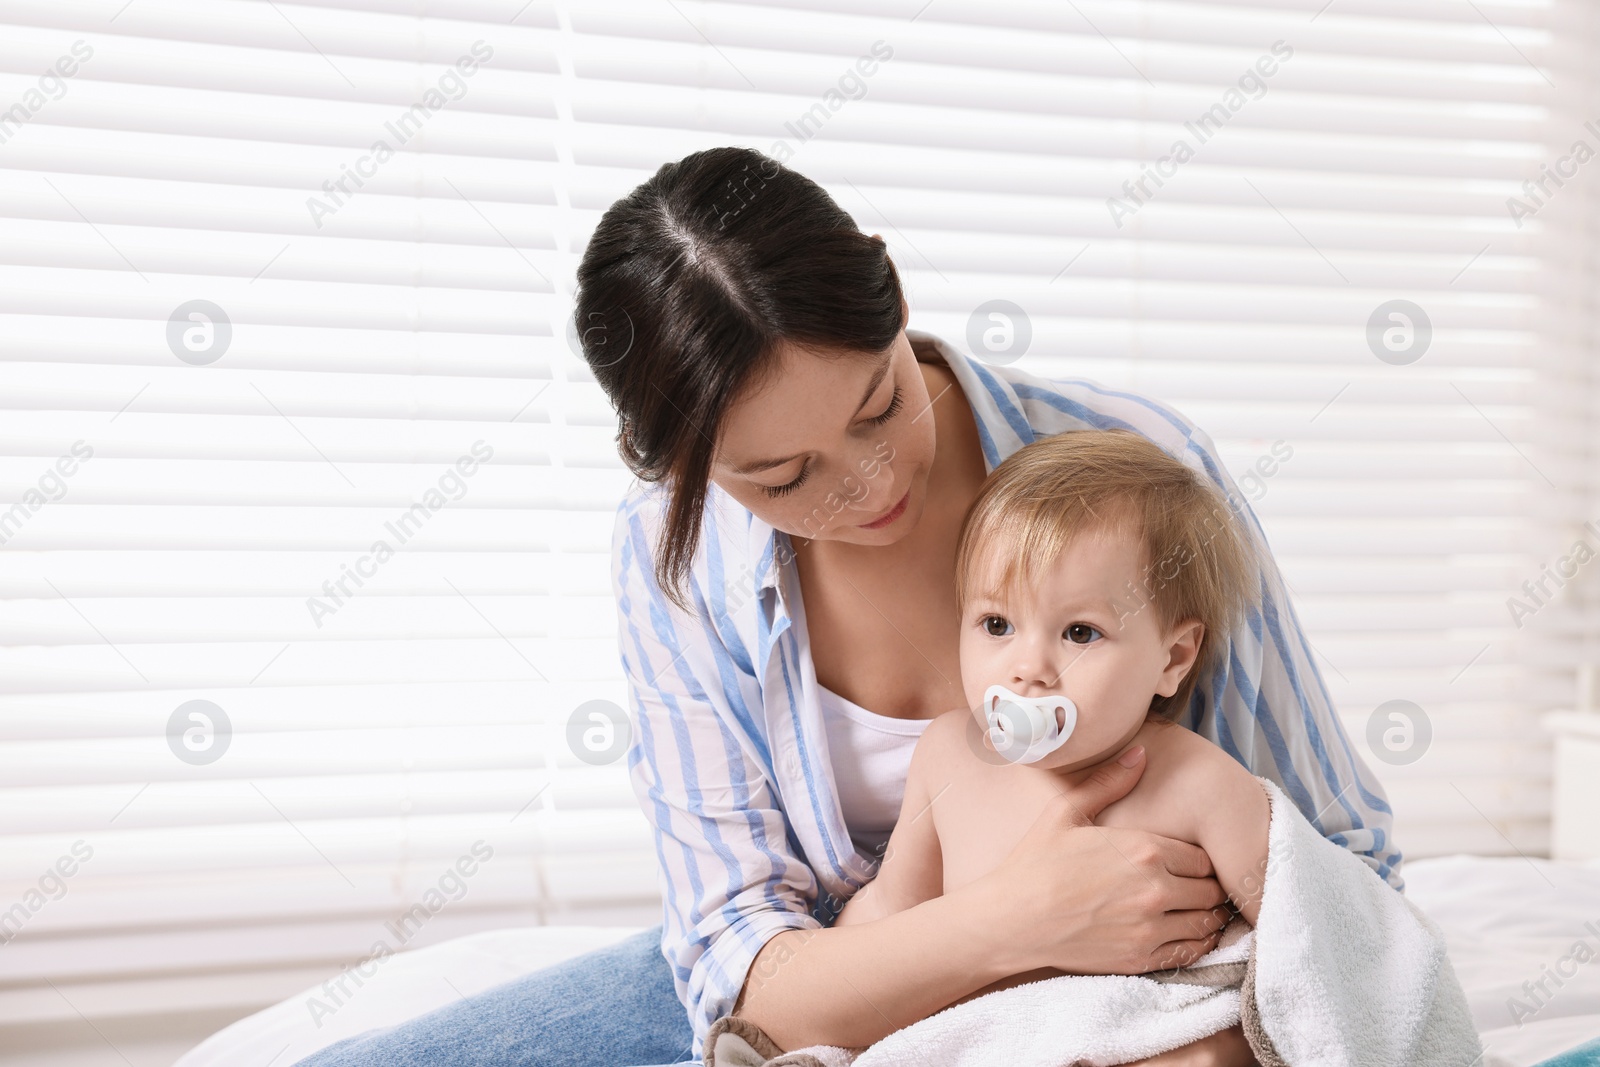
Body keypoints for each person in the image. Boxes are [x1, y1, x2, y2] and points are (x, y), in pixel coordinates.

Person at [294, 146, 1398, 1067]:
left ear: (896, 297)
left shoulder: (1136, 470)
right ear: (678, 465)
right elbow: (744, 966)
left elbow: (1341, 861)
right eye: (783, 476)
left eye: (879, 404)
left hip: (1128, 979)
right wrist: (1014, 917)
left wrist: (1228, 1031)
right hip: (832, 979)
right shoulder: (674, 563)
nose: (867, 486)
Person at [829, 429, 1274, 1020]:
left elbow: (1302, 936)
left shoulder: (1200, 785)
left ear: (1172, 659)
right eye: (996, 624)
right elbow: (893, 912)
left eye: (1080, 633)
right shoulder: (946, 758)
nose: (1028, 670)